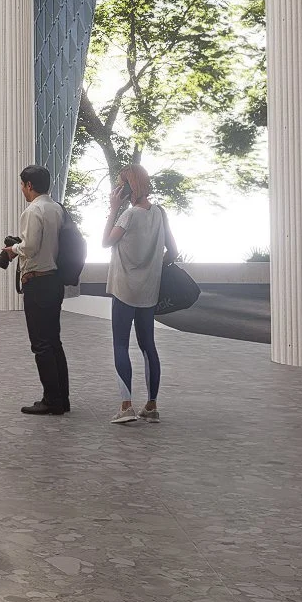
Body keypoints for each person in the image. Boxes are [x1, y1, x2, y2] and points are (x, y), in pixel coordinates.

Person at [103, 163, 180, 424]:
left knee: (121, 344)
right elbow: (174, 252)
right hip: (150, 290)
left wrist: (113, 209)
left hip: (124, 288)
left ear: (127, 187)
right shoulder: (160, 213)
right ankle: (152, 405)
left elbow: (105, 242)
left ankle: (126, 406)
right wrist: (151, 264)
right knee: (148, 346)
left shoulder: (128, 216)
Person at [2, 165, 68, 416]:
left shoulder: (33, 211)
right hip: (54, 280)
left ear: (29, 185)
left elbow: (28, 247)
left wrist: (12, 250)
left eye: (22, 184)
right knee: (54, 341)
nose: (21, 189)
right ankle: (63, 397)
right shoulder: (56, 208)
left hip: (37, 282)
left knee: (40, 344)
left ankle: (51, 400)